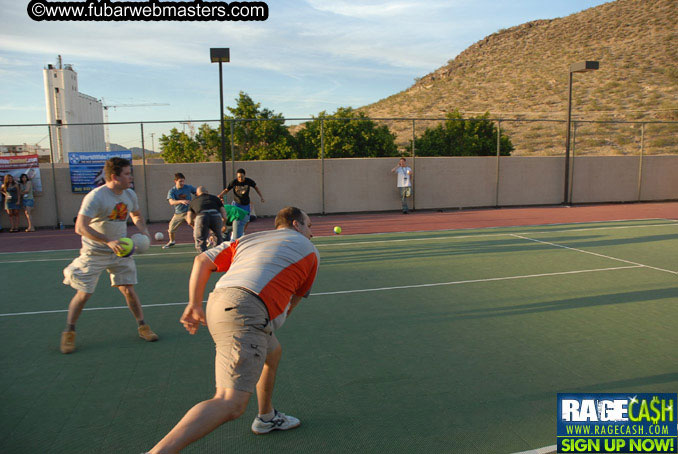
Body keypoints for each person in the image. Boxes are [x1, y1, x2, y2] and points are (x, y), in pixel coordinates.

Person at [147, 206, 319, 454]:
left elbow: (201, 260)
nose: (311, 233)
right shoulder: (310, 252)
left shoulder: (249, 239)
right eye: (309, 226)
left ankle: (266, 417)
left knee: (273, 351)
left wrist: (195, 304)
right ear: (296, 225)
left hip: (220, 301)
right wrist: (264, 322)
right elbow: (293, 301)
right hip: (247, 310)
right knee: (230, 403)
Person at [60, 157, 158, 354]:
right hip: (94, 252)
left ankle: (142, 326)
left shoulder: (129, 195)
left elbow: (136, 215)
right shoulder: (96, 197)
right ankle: (69, 332)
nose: (131, 177)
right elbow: (80, 227)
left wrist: (144, 232)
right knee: (84, 293)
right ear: (114, 176)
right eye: (127, 174)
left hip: (120, 251)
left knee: (128, 290)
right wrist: (107, 241)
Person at [217, 168, 264, 239]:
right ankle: (233, 231)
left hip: (245, 204)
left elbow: (256, 188)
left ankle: (242, 232)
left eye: (242, 177)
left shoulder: (249, 181)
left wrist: (261, 197)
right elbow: (227, 190)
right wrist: (220, 195)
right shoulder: (234, 182)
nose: (240, 178)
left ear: (244, 176)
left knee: (246, 219)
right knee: (235, 218)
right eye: (238, 177)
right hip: (236, 203)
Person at [186, 186, 228, 253]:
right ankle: (217, 256)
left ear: (197, 194)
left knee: (200, 240)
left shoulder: (193, 201)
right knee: (217, 237)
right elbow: (224, 214)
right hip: (216, 215)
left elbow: (189, 220)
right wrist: (224, 224)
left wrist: (194, 227)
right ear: (207, 192)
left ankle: (204, 257)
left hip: (201, 216)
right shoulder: (215, 198)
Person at [164, 173, 197, 249]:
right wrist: (181, 201)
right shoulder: (172, 191)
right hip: (178, 213)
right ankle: (172, 241)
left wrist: (199, 196)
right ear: (175, 181)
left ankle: (202, 240)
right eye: (180, 181)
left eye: (183, 181)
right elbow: (171, 202)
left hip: (189, 212)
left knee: (196, 226)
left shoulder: (188, 187)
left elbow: (197, 192)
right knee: (171, 230)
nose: (182, 183)